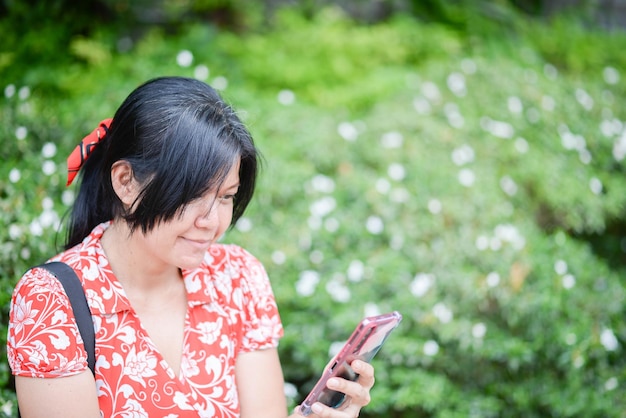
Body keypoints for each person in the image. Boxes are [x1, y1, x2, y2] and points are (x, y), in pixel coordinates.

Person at [7, 76, 375, 418]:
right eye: (193, 195)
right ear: (126, 182)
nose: (212, 222)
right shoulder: (51, 301)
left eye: (226, 196)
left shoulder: (237, 278)